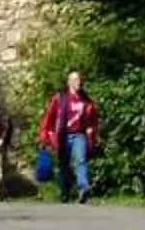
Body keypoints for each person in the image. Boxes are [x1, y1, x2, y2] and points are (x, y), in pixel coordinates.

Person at [39, 70, 101, 202]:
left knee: (81, 160)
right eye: (75, 80)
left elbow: (92, 121)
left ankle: (83, 189)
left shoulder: (86, 100)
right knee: (64, 165)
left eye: (80, 79)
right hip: (63, 135)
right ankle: (65, 192)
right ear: (69, 82)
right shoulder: (60, 98)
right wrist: (45, 136)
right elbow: (49, 117)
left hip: (79, 134)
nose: (79, 82)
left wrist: (92, 135)